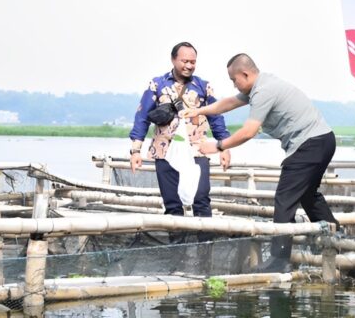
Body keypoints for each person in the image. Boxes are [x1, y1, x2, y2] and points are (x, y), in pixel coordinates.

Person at [183, 53, 339, 272]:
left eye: (234, 79)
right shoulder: (261, 85)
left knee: (284, 199)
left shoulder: (264, 91)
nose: (234, 85)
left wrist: (218, 146)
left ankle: (279, 260)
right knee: (306, 193)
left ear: (245, 74)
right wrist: (199, 111)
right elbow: (228, 103)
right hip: (322, 140)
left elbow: (248, 131)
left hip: (310, 144)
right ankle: (334, 237)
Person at [129, 41, 231, 222]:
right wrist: (136, 151)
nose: (189, 66)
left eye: (193, 62)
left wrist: (224, 148)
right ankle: (177, 250)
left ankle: (204, 249)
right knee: (172, 204)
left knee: (201, 200)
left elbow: (216, 117)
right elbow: (142, 116)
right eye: (185, 61)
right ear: (173, 60)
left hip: (197, 150)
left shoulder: (203, 86)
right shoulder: (157, 84)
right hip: (164, 150)